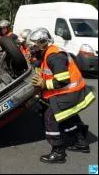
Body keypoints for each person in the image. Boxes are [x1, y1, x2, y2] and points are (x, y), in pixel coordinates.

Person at [26, 28, 95, 164]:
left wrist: (43, 84)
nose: (32, 48)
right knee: (67, 117)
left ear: (43, 43)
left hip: (70, 92)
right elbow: (43, 66)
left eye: (35, 45)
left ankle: (58, 152)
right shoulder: (48, 53)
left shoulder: (54, 56)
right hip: (70, 92)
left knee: (50, 117)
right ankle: (81, 142)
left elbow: (63, 80)